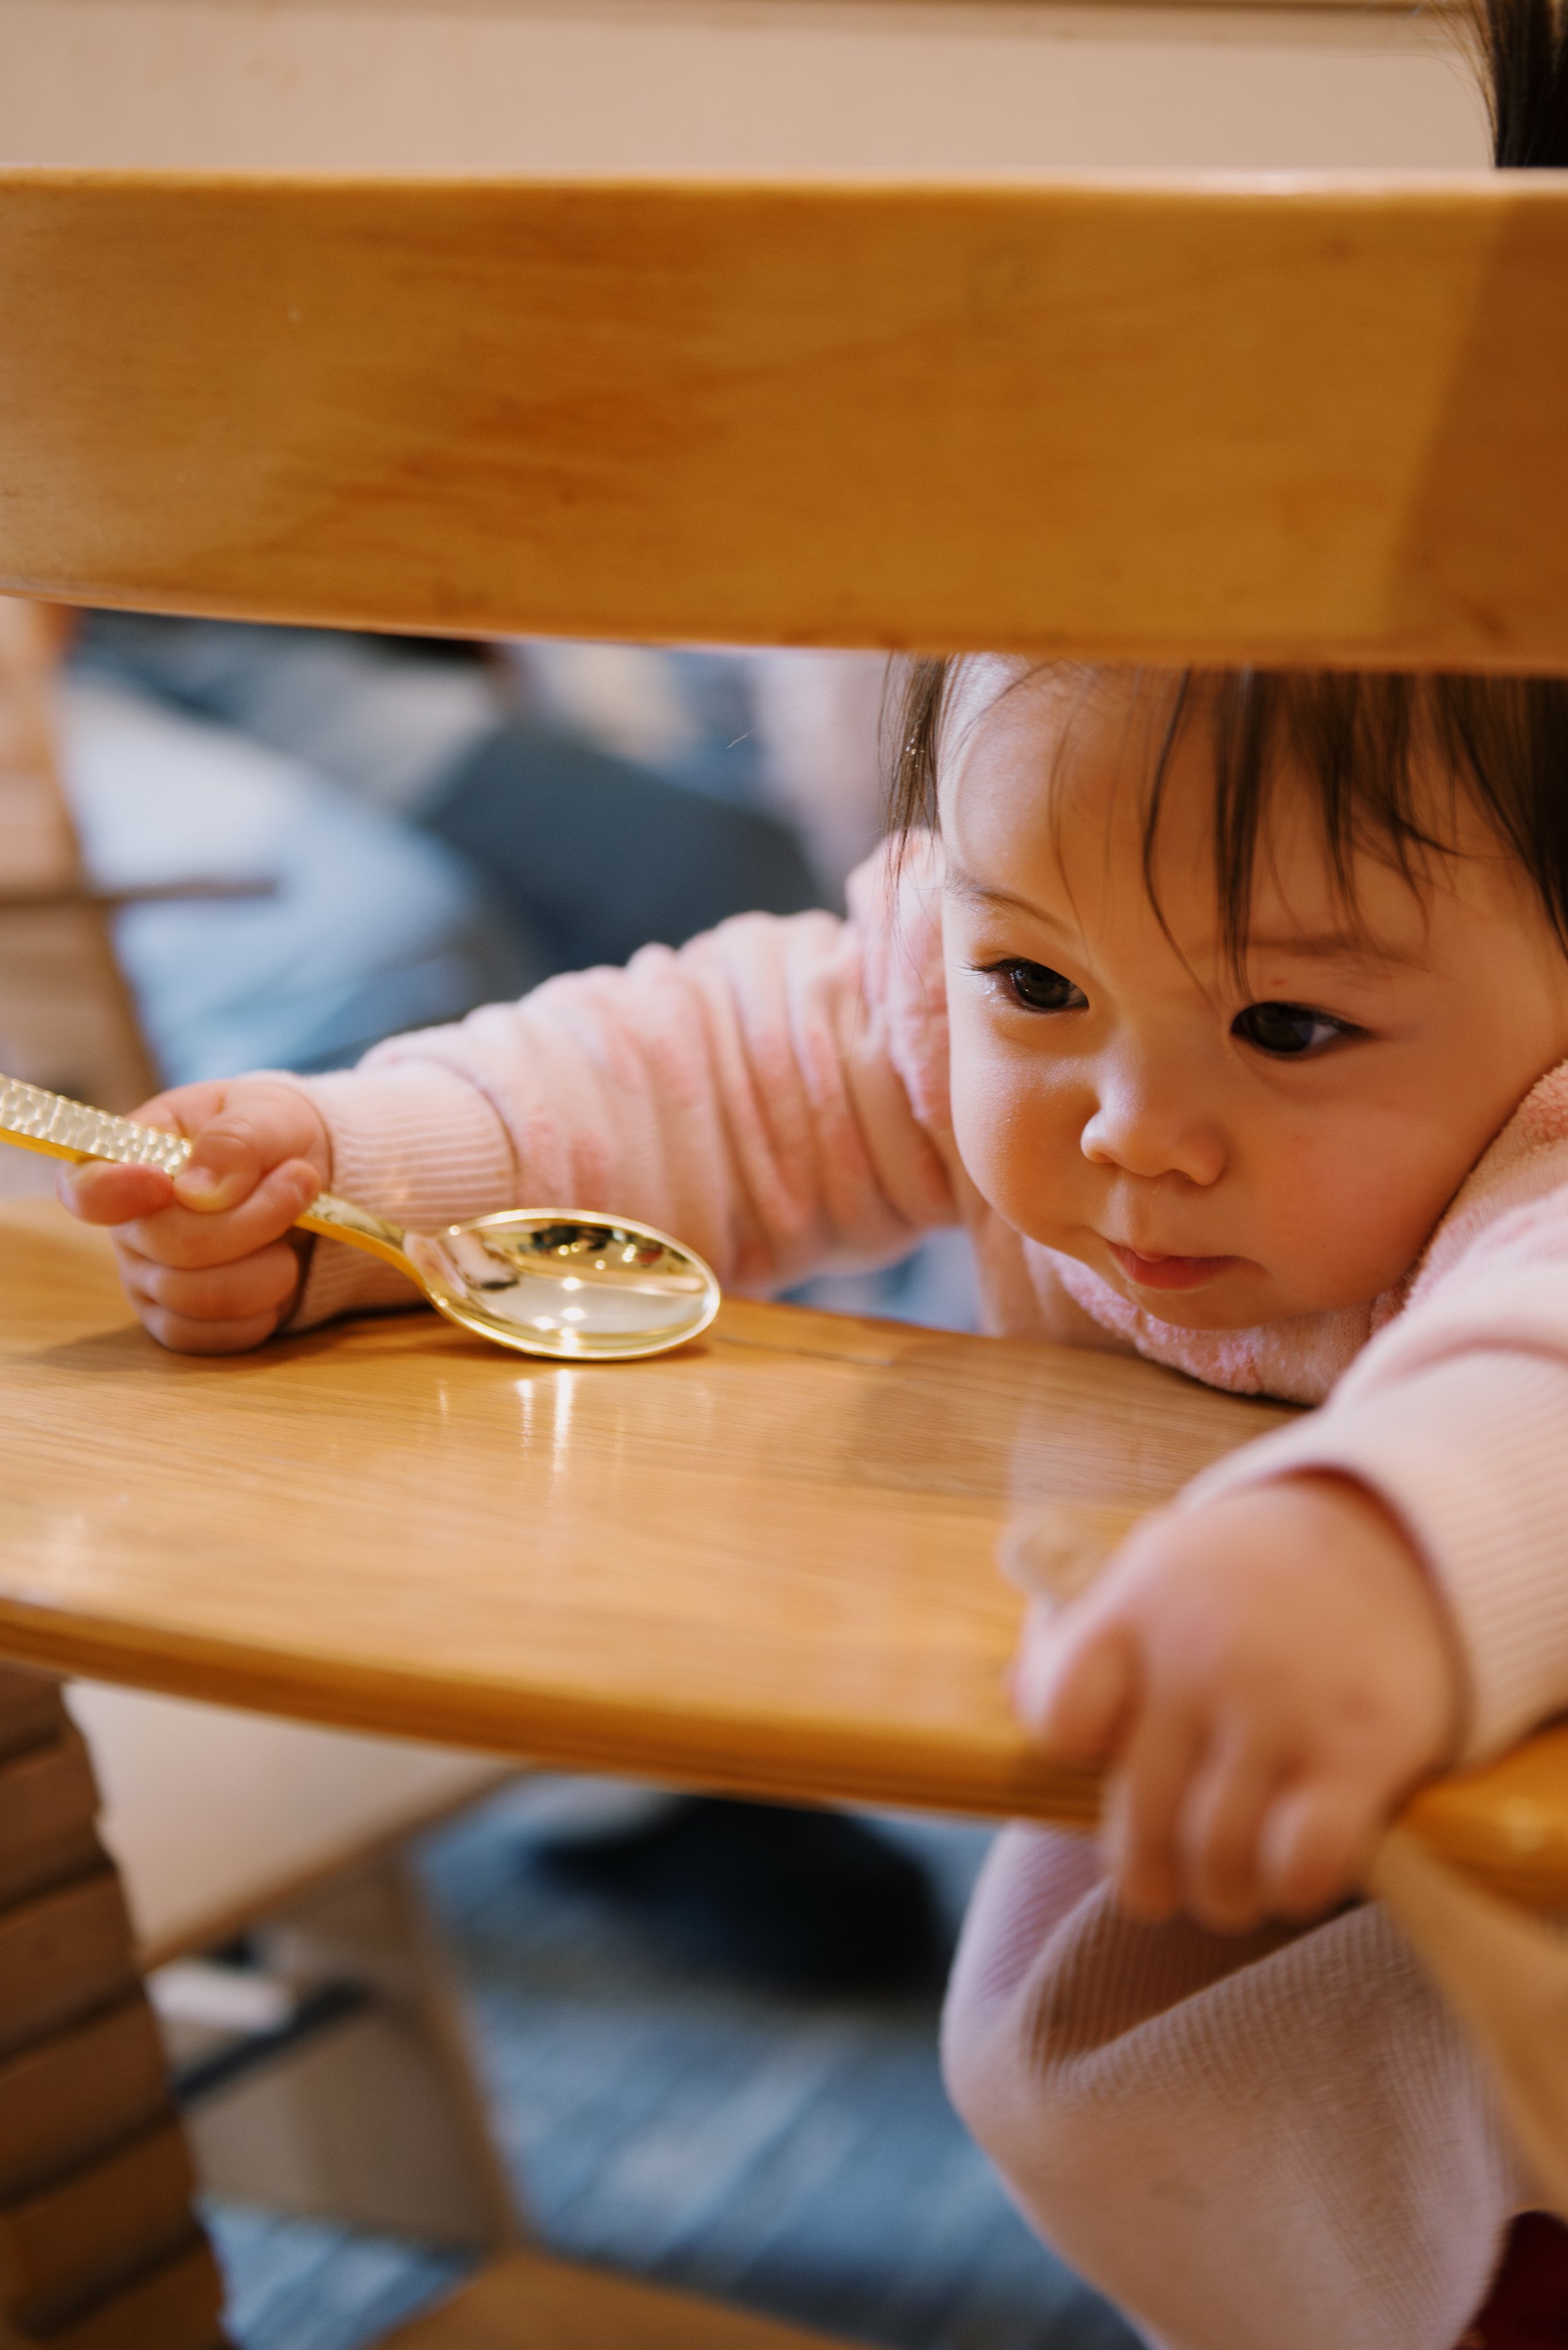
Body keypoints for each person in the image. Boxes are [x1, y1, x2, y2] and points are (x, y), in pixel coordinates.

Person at [52, 11, 1568, 2342]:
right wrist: (365, 1169)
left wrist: (1384, 1552)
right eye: (1030, 983)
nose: (1118, 1122)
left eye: (1287, 1030)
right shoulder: (1017, 970)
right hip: (1211, 1945)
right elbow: (719, 1057)